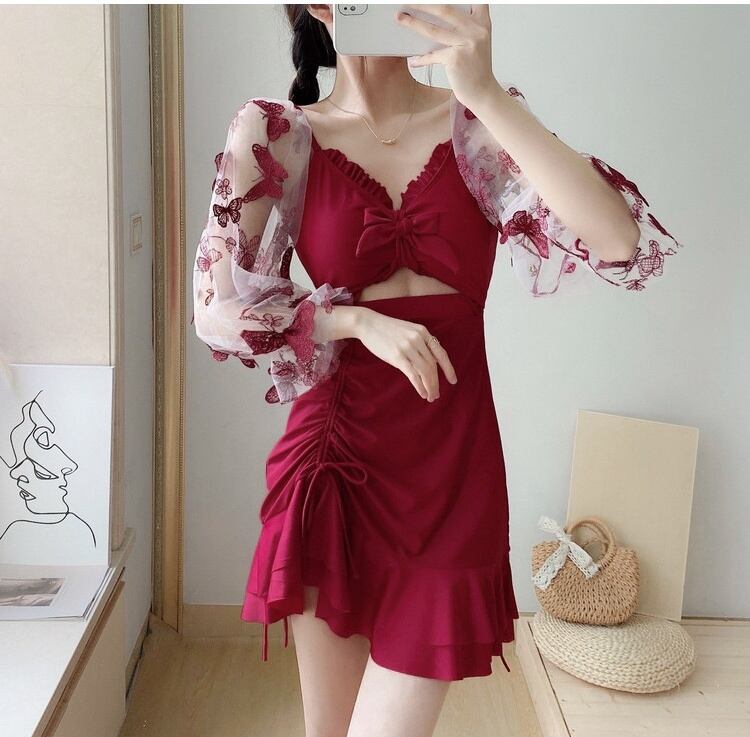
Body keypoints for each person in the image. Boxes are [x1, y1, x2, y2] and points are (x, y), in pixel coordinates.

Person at [192, 5, 682, 736]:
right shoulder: (280, 134)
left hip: (454, 472)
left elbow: (618, 241)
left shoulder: (478, 124)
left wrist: (484, 91)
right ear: (323, 7)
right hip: (334, 463)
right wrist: (352, 320)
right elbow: (216, 309)